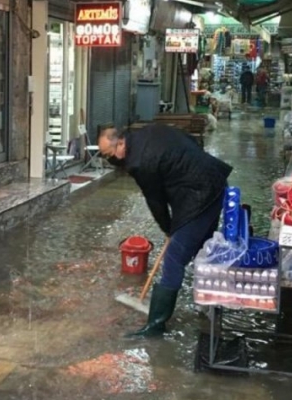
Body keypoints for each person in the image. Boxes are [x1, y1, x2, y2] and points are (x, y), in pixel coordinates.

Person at [97, 123, 233, 338]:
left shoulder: (138, 162)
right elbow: (189, 138)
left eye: (110, 154)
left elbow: (156, 201)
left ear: (121, 142)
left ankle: (156, 325)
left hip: (200, 194)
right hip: (214, 180)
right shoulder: (147, 131)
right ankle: (207, 303)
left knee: (174, 258)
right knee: (203, 247)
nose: (111, 159)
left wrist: (168, 229)